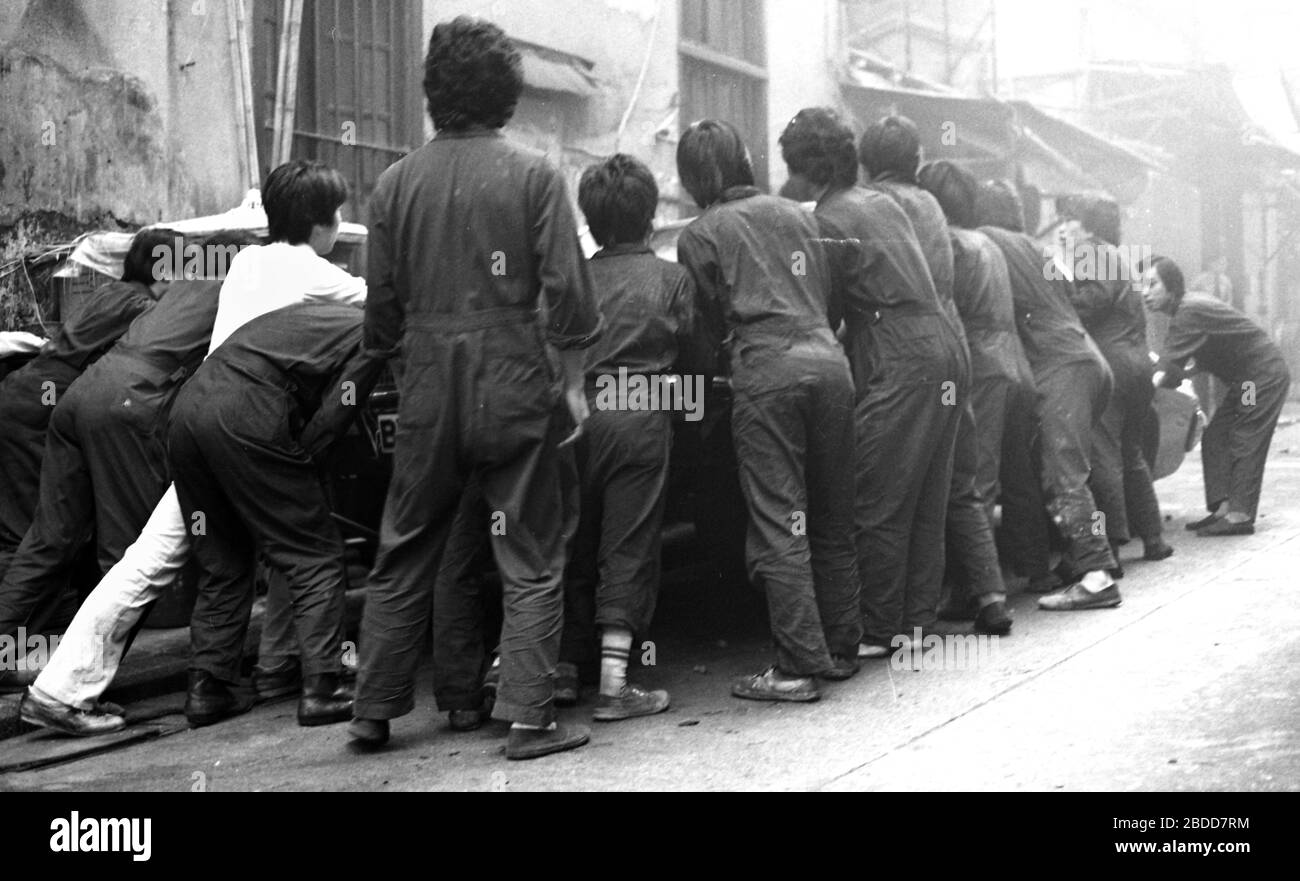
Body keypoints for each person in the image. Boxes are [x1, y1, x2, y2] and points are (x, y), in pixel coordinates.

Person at [19, 160, 363, 736]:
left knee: (162, 560)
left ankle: (73, 688)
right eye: (337, 215)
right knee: (307, 550)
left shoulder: (246, 261)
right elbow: (381, 309)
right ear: (322, 223)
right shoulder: (314, 271)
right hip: (248, 425)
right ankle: (322, 683)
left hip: (194, 421)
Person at [349, 17, 602, 760]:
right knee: (529, 546)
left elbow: (380, 307)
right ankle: (527, 715)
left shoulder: (395, 183)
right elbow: (572, 298)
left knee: (404, 547)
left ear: (432, 92)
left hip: (427, 377)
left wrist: (409, 371)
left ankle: (373, 708)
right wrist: (576, 385)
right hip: (513, 373)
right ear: (508, 94)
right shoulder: (534, 176)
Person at [678, 117, 860, 701]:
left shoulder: (702, 232)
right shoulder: (800, 216)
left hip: (767, 369)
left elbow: (701, 326)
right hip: (831, 366)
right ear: (746, 162)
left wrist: (711, 378)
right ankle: (839, 649)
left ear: (691, 177)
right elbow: (830, 301)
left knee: (780, 518)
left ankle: (797, 666)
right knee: (830, 512)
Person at [167, 301, 382, 727]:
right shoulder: (374, 332)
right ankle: (324, 688)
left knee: (222, 561)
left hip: (186, 414)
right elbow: (341, 406)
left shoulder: (323, 316)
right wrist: (302, 463)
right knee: (314, 554)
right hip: (247, 411)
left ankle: (207, 689)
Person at [553, 153, 704, 720]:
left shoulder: (575, 279)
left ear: (591, 222)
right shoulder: (671, 279)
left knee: (574, 542)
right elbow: (695, 360)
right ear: (648, 219)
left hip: (574, 416)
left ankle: (565, 669)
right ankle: (616, 687)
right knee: (629, 546)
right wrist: (688, 418)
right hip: (640, 414)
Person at [856, 116, 1010, 639]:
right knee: (949, 488)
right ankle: (946, 610)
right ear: (916, 160)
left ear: (868, 162)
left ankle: (881, 626)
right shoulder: (929, 206)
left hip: (910, 353)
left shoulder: (880, 205)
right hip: (956, 351)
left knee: (888, 496)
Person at [977, 180, 1122, 612]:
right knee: (1068, 470)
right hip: (1086, 360)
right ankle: (1085, 561)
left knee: (1064, 475)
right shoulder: (1035, 247)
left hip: (1060, 366)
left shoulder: (985, 241)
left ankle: (1097, 577)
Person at [0, 229, 166, 586]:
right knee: (42, 532)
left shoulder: (109, 292)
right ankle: (32, 631)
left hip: (22, 390)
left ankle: (26, 627)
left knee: (19, 527)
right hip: (46, 399)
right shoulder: (143, 310)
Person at [919, 159, 1035, 631]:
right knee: (1013, 473)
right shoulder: (987, 241)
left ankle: (977, 593)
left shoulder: (951, 245)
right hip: (1013, 363)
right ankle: (1026, 573)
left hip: (982, 365)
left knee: (975, 482)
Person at [1144, 256, 1291, 535]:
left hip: (1256, 379)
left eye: (1152, 284)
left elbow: (1168, 366)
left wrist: (1146, 390)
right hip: (1248, 378)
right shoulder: (1187, 308)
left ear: (1172, 287)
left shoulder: (1187, 311)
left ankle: (1239, 515)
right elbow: (1188, 361)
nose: (1144, 292)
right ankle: (1224, 507)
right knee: (1215, 436)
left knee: (1244, 435)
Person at [1061, 197, 1172, 565]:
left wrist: (1059, 307)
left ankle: (1109, 547)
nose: (1064, 228)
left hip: (1112, 365)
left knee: (1102, 454)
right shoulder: (1117, 255)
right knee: (1131, 452)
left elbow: (1094, 299)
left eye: (1069, 220)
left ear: (1087, 226)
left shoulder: (1090, 251)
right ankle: (1153, 538)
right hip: (1138, 364)